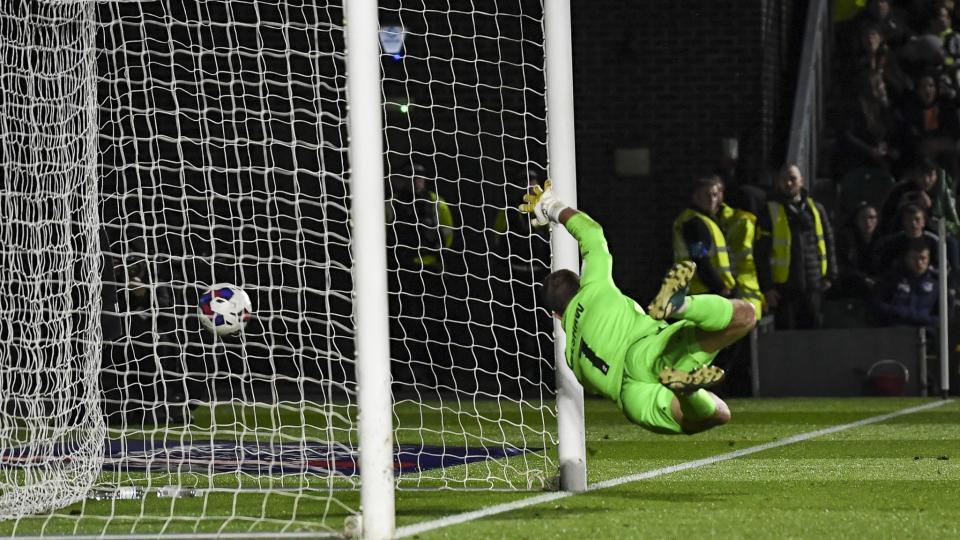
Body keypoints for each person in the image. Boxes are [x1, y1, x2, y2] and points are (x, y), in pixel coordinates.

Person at [520, 181, 756, 435]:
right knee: (745, 315)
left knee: (717, 414)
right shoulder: (594, 286)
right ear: (579, 283)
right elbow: (592, 233)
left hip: (633, 397)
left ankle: (686, 391)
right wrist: (551, 206)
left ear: (556, 314)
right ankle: (682, 306)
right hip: (649, 351)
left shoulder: (570, 357)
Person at [756, 163, 838, 329]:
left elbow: (828, 241)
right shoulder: (769, 211)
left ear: (801, 181)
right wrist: (767, 287)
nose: (788, 183)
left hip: (813, 283)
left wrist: (830, 274)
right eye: (784, 179)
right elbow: (760, 252)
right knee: (786, 338)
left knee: (813, 335)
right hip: (784, 288)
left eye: (793, 179)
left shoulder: (815, 209)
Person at [672, 175, 736, 297]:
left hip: (707, 290)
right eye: (707, 195)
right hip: (703, 291)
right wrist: (720, 287)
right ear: (696, 196)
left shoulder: (705, 220)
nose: (712, 199)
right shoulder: (695, 223)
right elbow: (700, 260)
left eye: (715, 195)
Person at [871, 240, 940, 328]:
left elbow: (943, 316)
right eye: (914, 258)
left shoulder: (936, 283)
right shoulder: (891, 278)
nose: (919, 263)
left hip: (925, 332)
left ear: (928, 259)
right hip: (894, 330)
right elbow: (877, 304)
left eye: (923, 258)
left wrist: (923, 319)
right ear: (906, 258)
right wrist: (897, 312)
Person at [834, 202, 882, 299]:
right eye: (864, 218)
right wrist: (863, 279)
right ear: (857, 220)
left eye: (872, 218)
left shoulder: (881, 240)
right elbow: (842, 266)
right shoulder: (846, 239)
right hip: (849, 289)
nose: (868, 222)